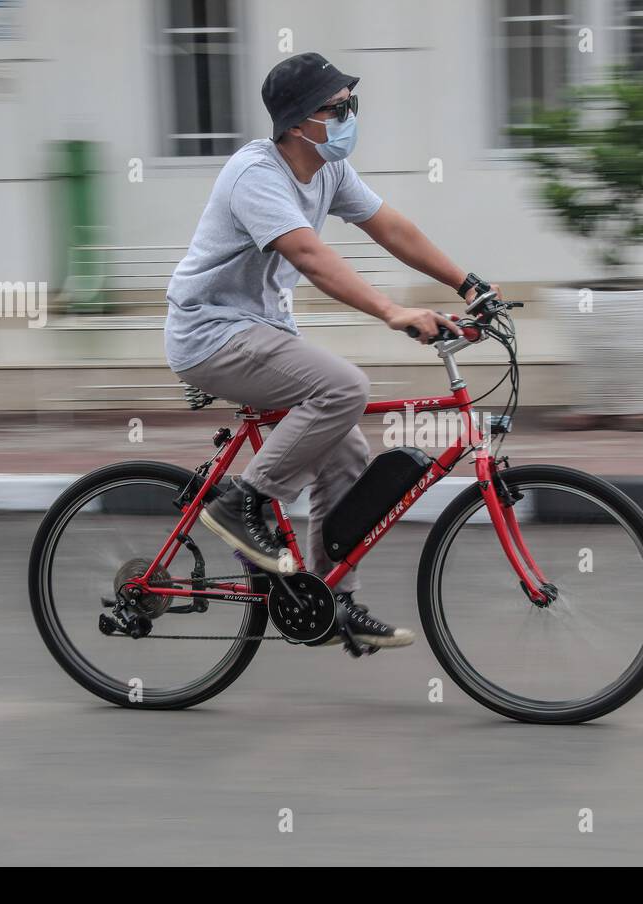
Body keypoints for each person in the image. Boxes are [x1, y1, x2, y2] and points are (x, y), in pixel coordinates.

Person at [165, 52, 497, 649]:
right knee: (344, 386)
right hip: (210, 334)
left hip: (263, 332)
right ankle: (243, 501)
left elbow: (390, 226)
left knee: (346, 445)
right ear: (298, 123)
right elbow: (310, 256)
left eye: (352, 104)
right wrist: (394, 312)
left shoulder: (327, 170)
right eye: (337, 107)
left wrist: (465, 282)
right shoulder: (256, 175)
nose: (349, 116)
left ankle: (331, 597)